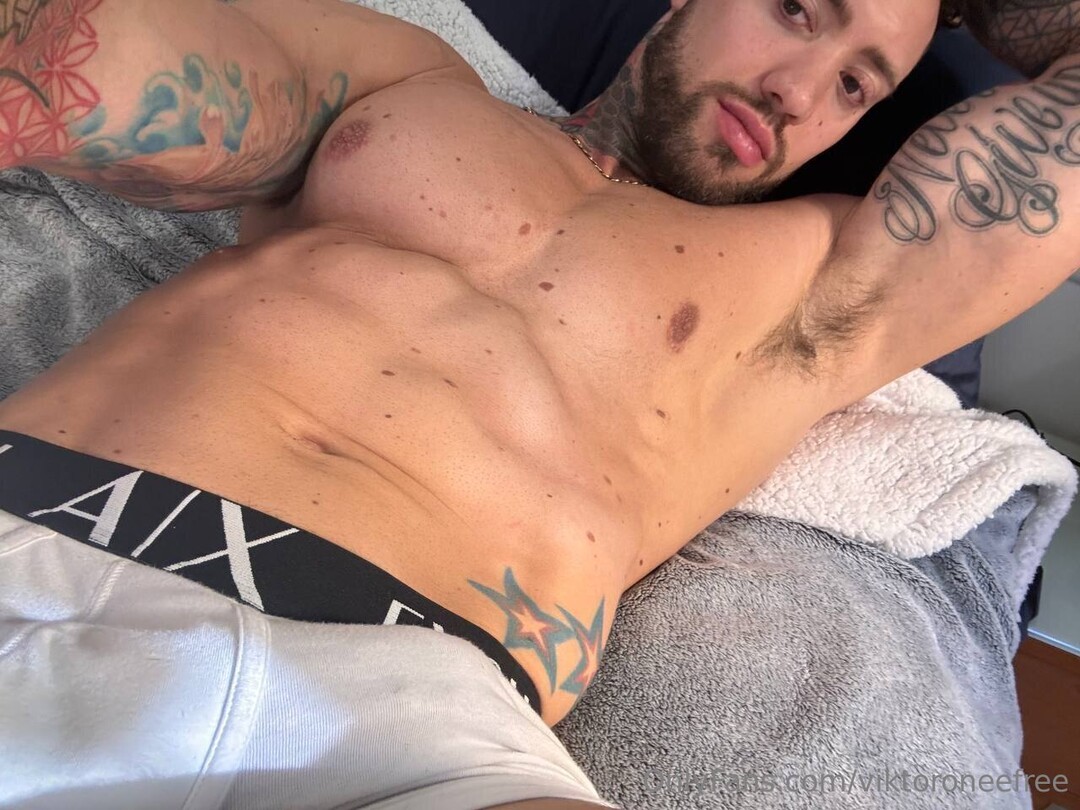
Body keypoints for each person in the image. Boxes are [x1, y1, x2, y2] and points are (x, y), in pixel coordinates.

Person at [0, 0, 1077, 806]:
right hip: (42, 522)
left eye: (855, 87)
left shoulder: (815, 281)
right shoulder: (408, 86)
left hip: (411, 720)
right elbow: (106, 59)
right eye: (798, 10)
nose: (799, 91)